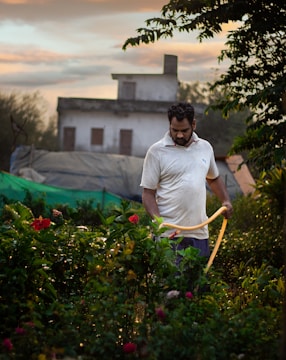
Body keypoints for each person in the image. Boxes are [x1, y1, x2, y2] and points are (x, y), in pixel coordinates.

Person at [140, 102, 233, 259]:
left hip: (199, 234)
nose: (179, 135)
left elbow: (214, 178)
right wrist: (159, 222)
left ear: (194, 124)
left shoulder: (205, 148)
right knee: (169, 282)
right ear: (169, 125)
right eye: (175, 130)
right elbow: (148, 194)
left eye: (184, 130)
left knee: (199, 282)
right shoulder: (157, 151)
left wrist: (226, 201)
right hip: (168, 235)